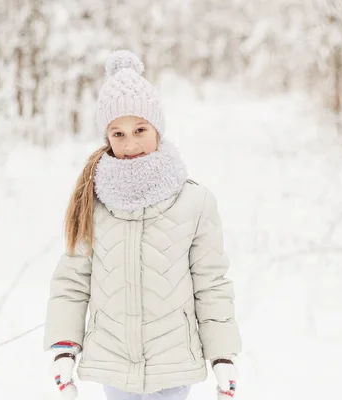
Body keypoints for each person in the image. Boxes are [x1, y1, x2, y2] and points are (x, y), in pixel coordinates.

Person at [43, 50, 242, 400]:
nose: (130, 144)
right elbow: (72, 283)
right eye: (117, 134)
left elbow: (211, 284)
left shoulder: (195, 202)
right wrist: (64, 349)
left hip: (173, 366)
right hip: (113, 365)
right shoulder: (93, 203)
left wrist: (222, 355)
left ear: (157, 129)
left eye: (139, 130)